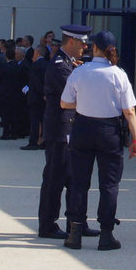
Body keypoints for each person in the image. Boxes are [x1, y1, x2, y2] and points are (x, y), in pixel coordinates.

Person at [61, 30, 136, 251]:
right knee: (109, 184)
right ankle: (106, 234)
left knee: (79, 182)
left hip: (83, 127)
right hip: (109, 131)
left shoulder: (80, 71)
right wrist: (135, 139)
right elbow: (129, 111)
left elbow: (65, 103)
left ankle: (75, 232)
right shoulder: (118, 74)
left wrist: (85, 104)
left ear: (94, 48)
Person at [37, 24, 99, 240]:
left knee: (75, 179)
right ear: (71, 42)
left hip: (72, 129)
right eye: (82, 43)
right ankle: (48, 224)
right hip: (60, 131)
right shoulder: (59, 66)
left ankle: (76, 223)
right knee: (55, 178)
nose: (85, 47)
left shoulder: (70, 64)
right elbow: (75, 94)